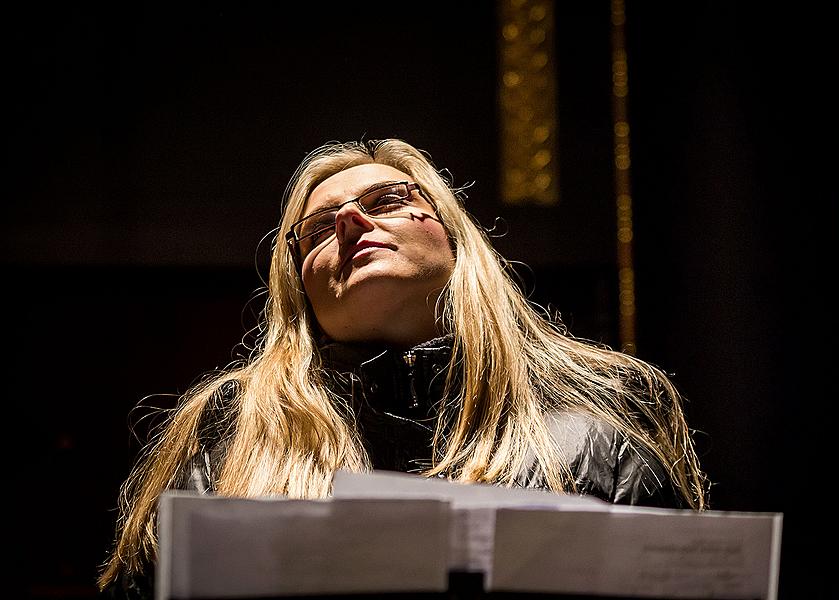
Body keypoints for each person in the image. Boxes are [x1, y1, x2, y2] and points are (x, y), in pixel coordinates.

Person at [98, 138, 708, 598]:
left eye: (387, 200)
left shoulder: (597, 439)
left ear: (454, 237)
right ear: (300, 288)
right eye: (315, 229)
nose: (349, 221)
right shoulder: (228, 442)